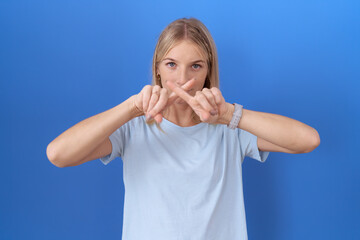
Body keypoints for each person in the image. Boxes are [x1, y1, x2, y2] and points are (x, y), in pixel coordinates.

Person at [47, 17, 320, 240]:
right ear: (157, 70)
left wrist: (228, 114)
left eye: (195, 66)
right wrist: (132, 107)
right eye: (171, 65)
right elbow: (58, 154)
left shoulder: (229, 126)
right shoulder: (134, 128)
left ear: (207, 72)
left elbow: (308, 140)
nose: (183, 79)